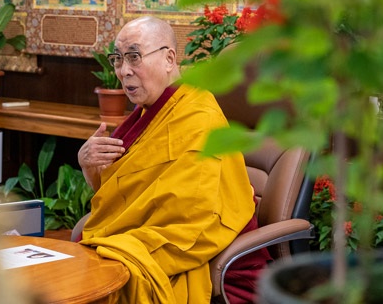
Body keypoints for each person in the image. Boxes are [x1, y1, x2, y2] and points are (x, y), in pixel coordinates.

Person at [77, 16, 268, 303]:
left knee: (115, 271)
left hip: (195, 246)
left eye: (134, 57)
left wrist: (130, 243)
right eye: (118, 59)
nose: (123, 71)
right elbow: (118, 196)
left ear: (169, 59)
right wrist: (88, 165)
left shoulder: (199, 117)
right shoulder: (147, 114)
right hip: (149, 232)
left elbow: (195, 216)